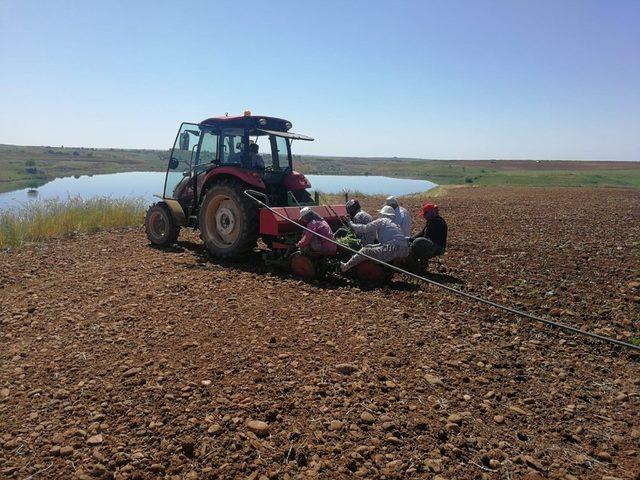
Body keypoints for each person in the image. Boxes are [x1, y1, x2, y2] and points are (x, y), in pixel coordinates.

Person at [340, 205, 409, 272]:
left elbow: (364, 228)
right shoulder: (395, 224)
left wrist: (350, 223)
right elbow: (386, 242)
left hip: (392, 248)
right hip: (403, 249)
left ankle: (346, 266)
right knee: (368, 246)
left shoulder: (382, 221)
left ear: (383, 214)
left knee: (365, 251)